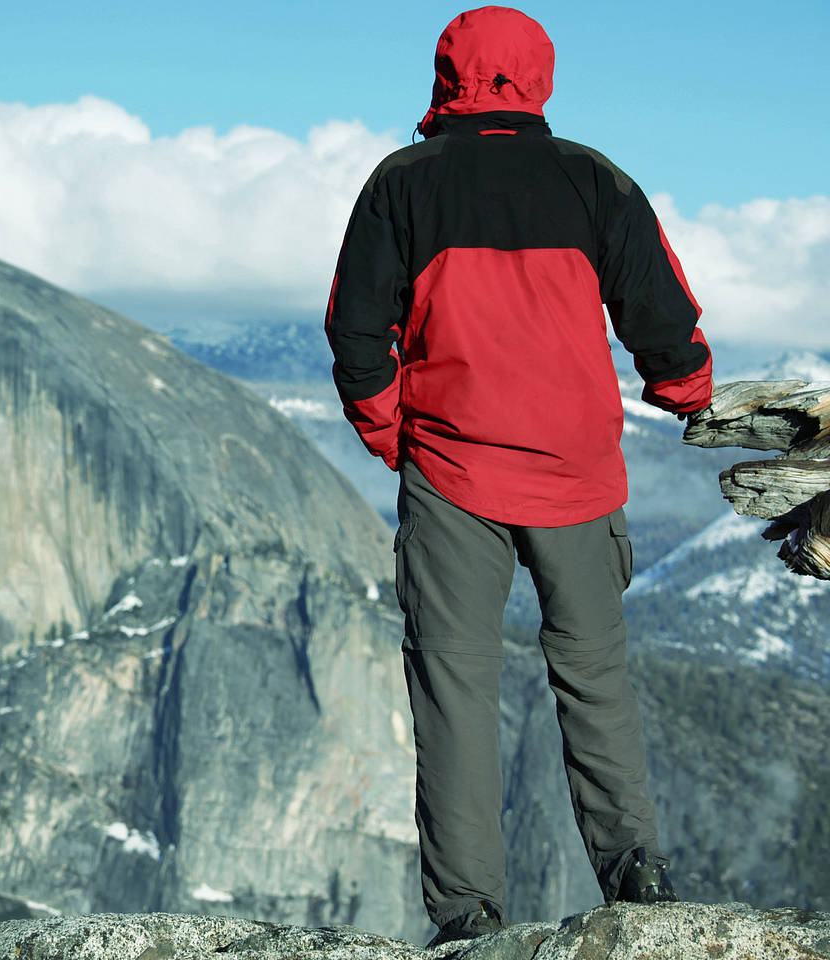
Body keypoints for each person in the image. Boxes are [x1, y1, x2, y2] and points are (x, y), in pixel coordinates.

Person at [323, 5, 712, 948]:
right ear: (539, 78)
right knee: (594, 677)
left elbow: (353, 330)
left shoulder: (402, 183)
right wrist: (686, 387)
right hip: (579, 479)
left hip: (452, 476)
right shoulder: (594, 179)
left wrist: (393, 436)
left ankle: (467, 918)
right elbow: (664, 318)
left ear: (448, 74)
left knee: (455, 690)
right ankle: (635, 875)